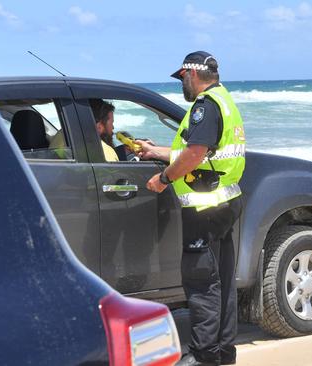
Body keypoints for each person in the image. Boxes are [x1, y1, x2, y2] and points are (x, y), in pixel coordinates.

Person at [137, 51, 246, 366]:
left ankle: (204, 356)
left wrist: (164, 178)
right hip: (223, 202)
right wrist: (155, 151)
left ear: (191, 74)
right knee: (221, 281)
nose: (181, 84)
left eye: (182, 78)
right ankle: (224, 353)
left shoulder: (204, 106)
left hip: (205, 209)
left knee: (202, 282)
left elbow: (196, 153)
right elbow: (199, 150)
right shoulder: (223, 100)